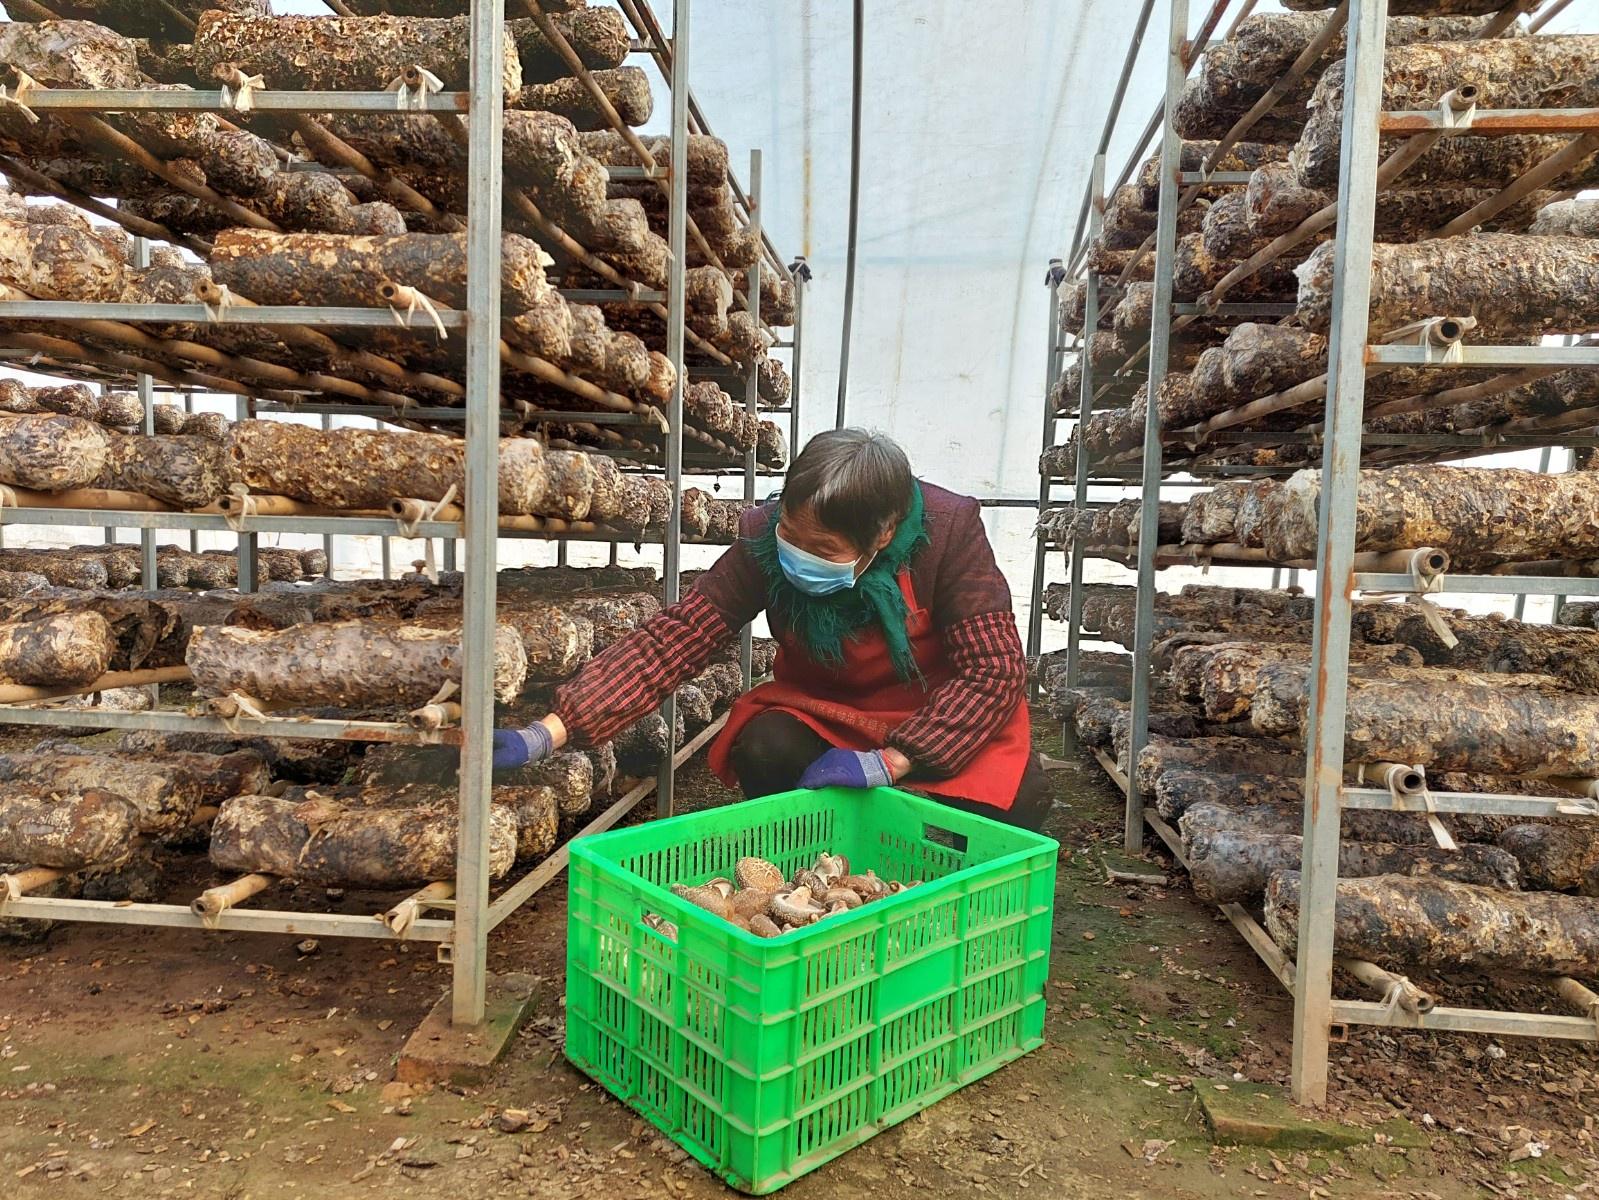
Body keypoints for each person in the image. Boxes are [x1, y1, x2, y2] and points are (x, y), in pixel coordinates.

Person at [492, 428, 1049, 829]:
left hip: (932, 708)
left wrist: (893, 760)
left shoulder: (949, 533)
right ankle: (802, 861)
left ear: (882, 534)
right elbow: (678, 638)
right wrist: (550, 730)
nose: (798, 557)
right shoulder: (762, 537)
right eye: (792, 536)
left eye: (824, 551)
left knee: (1017, 800)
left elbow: (995, 670)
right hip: (827, 711)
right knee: (764, 747)